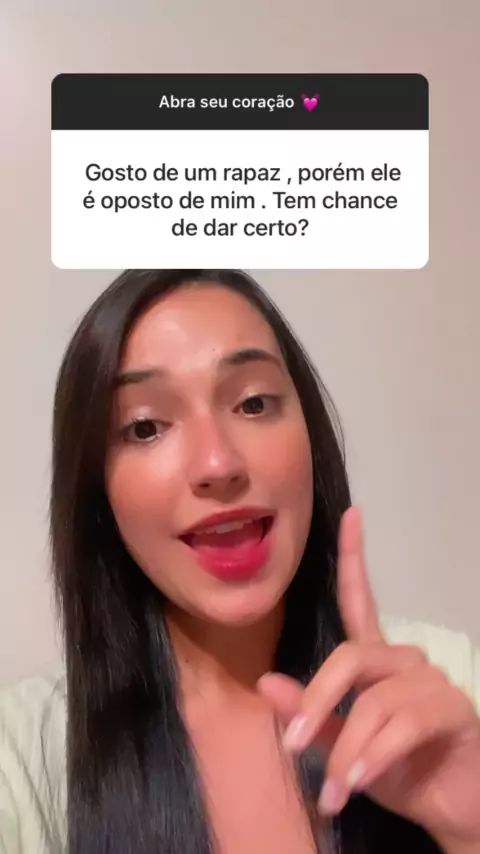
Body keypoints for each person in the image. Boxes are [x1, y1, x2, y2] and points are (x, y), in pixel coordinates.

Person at [1, 268, 479, 854]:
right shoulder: (22, 760)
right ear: (97, 491)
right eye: (145, 427)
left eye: (254, 403)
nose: (218, 463)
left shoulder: (452, 685)